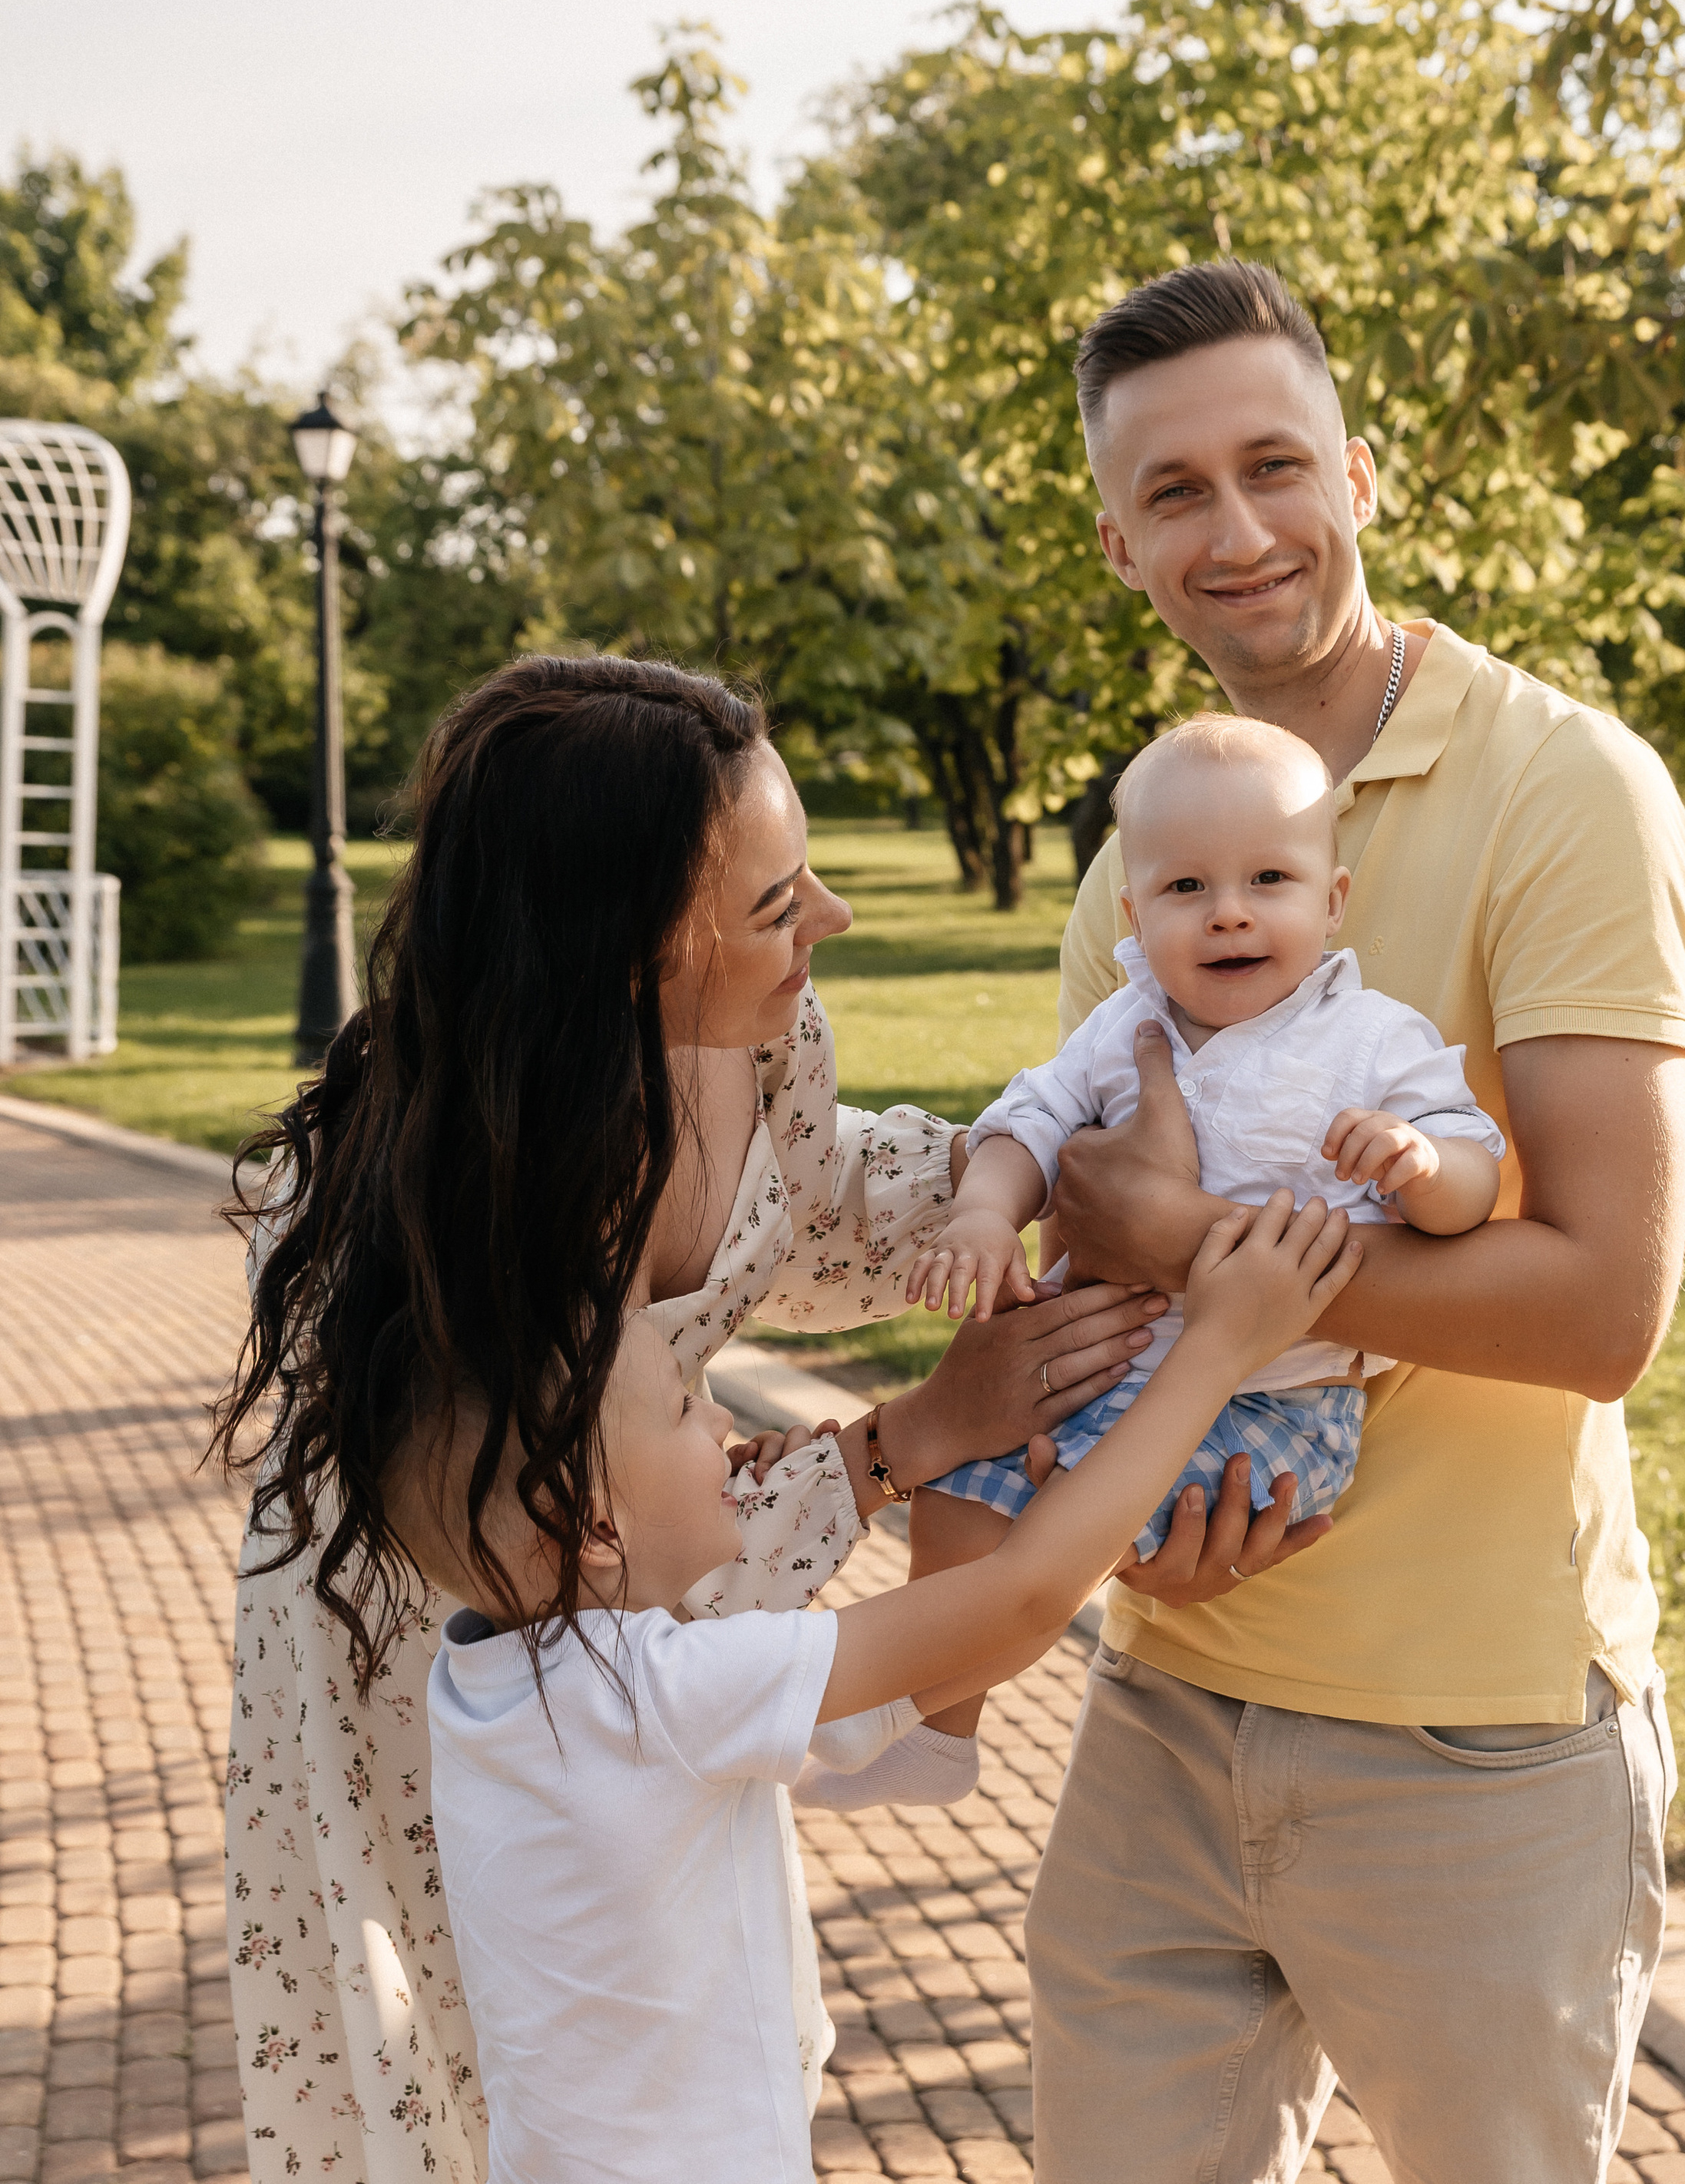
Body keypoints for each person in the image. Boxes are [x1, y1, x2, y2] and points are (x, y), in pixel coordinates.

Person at [214, 655, 1167, 2184]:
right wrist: (898, 1443)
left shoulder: (762, 1043)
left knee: (700, 2028)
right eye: (780, 904)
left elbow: (829, 1197)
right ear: (641, 945)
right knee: (503, 2061)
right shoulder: (469, 1216)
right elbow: (574, 1552)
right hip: (456, 1633)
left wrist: (1042, 1165)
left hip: (637, 1578)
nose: (831, 923)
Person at [1021, 260, 1685, 2184]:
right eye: (1172, 494)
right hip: (1164, 1685)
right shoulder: (1144, 863)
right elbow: (1081, 1219)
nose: (1234, 531)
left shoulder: (1561, 788)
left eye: (1271, 465)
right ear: (1118, 545)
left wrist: (1184, 1257)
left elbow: (1597, 1308)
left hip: (1470, 1735)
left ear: (1361, 475)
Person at [411, 1192, 1356, 2184]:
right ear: (595, 1528)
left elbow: (917, 1665)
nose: (724, 1421)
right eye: (688, 1410)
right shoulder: (657, 1695)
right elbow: (1019, 1598)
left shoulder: (483, 1686)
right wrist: (1214, 1351)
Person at [885, 713, 1501, 1777]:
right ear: (1134, 910)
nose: (1228, 916)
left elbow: (1472, 1177)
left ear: (1332, 900)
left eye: (1268, 880)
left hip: (1279, 1405)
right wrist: (987, 1211)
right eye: (1186, 890)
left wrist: (1419, 1163)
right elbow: (1030, 1120)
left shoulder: (1369, 1038)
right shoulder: (1129, 1024)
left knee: (1058, 1532)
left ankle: (896, 1695)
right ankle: (932, 1733)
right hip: (1111, 1372)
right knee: (955, 1490)